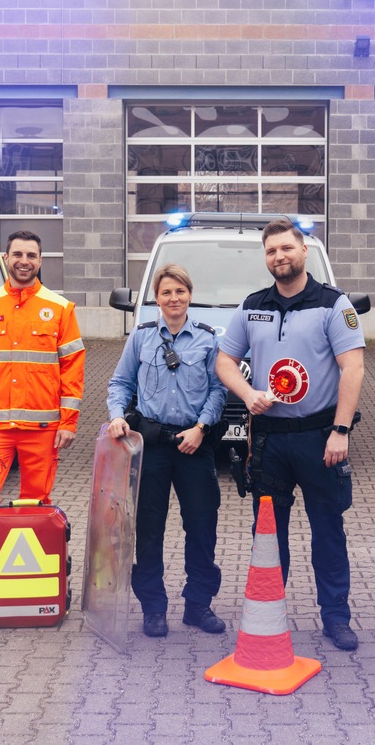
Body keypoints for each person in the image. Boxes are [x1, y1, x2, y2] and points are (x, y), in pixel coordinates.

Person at [216, 217, 366, 651]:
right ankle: (267, 616)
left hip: (320, 439)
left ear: (303, 252)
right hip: (268, 442)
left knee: (328, 530)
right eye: (271, 251)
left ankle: (336, 618)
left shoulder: (335, 305)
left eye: (286, 248)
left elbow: (353, 368)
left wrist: (341, 430)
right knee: (267, 533)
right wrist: (247, 394)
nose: (279, 256)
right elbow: (225, 361)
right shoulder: (252, 305)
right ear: (266, 259)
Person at [0, 230, 85, 596]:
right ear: (6, 258)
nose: (24, 261)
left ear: (40, 261)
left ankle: (31, 582)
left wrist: (68, 422)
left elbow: (73, 368)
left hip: (42, 427)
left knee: (36, 507)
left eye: (31, 255)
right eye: (17, 254)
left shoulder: (60, 309)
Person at [106, 264, 228, 638]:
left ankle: (198, 605)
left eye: (180, 291)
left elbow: (219, 391)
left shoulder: (208, 339)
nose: (173, 298)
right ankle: (154, 609)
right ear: (156, 299)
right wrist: (116, 416)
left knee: (202, 528)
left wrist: (202, 428)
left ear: (190, 295)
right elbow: (120, 383)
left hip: (194, 446)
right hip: (152, 447)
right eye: (166, 293)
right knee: (148, 531)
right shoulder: (141, 338)